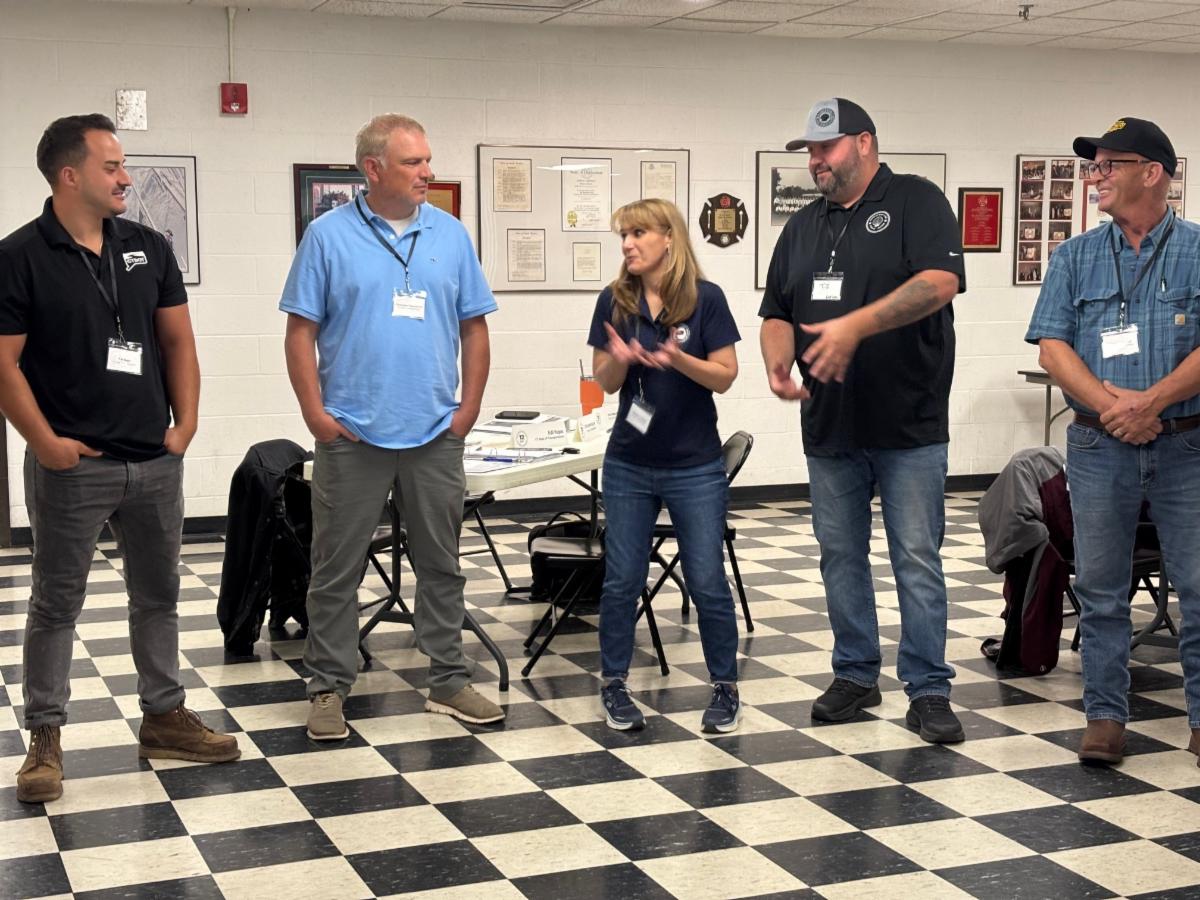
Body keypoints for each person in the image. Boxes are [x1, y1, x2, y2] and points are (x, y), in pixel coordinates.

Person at [0, 114, 239, 803]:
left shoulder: (146, 247)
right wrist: (45, 444)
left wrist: (186, 424)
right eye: (111, 166)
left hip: (154, 461)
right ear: (69, 175)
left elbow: (178, 344)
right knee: (55, 603)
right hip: (73, 465)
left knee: (158, 596)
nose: (126, 176)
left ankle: (164, 716)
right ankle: (44, 738)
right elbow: (4, 363)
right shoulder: (19, 257)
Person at [280, 114, 504, 739]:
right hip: (352, 435)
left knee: (443, 564)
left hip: (434, 432)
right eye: (413, 163)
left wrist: (469, 407)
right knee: (336, 567)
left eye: (428, 160)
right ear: (373, 169)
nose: (427, 172)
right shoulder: (327, 237)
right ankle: (328, 685)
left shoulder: (450, 235)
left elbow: (474, 327)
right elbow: (301, 331)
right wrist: (315, 416)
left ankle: (450, 681)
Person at [758, 98, 967, 743]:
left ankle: (928, 687)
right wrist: (777, 363)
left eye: (827, 148)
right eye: (811, 152)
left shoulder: (915, 201)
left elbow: (941, 282)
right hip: (831, 428)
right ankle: (855, 673)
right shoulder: (802, 228)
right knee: (839, 556)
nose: (816, 162)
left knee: (915, 558)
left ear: (865, 143)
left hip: (908, 424)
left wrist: (856, 324)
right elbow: (776, 311)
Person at [1026, 116, 1200, 766]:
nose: (1094, 177)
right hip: (1100, 447)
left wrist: (1153, 402)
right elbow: (1052, 348)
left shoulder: (1197, 249)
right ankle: (1105, 718)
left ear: (1151, 173)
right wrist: (1114, 407)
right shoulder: (1074, 257)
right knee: (1099, 590)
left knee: (1199, 586)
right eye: (1092, 167)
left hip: (1186, 444)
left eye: (1108, 166)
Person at [587, 198, 742, 733]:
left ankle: (724, 686)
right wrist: (621, 360)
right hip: (629, 461)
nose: (627, 244)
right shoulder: (614, 300)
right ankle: (613, 683)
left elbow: (724, 375)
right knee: (621, 579)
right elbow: (604, 382)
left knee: (706, 579)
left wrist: (678, 359)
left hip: (695, 465)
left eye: (637, 233)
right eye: (623, 235)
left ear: (668, 239)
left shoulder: (707, 300)